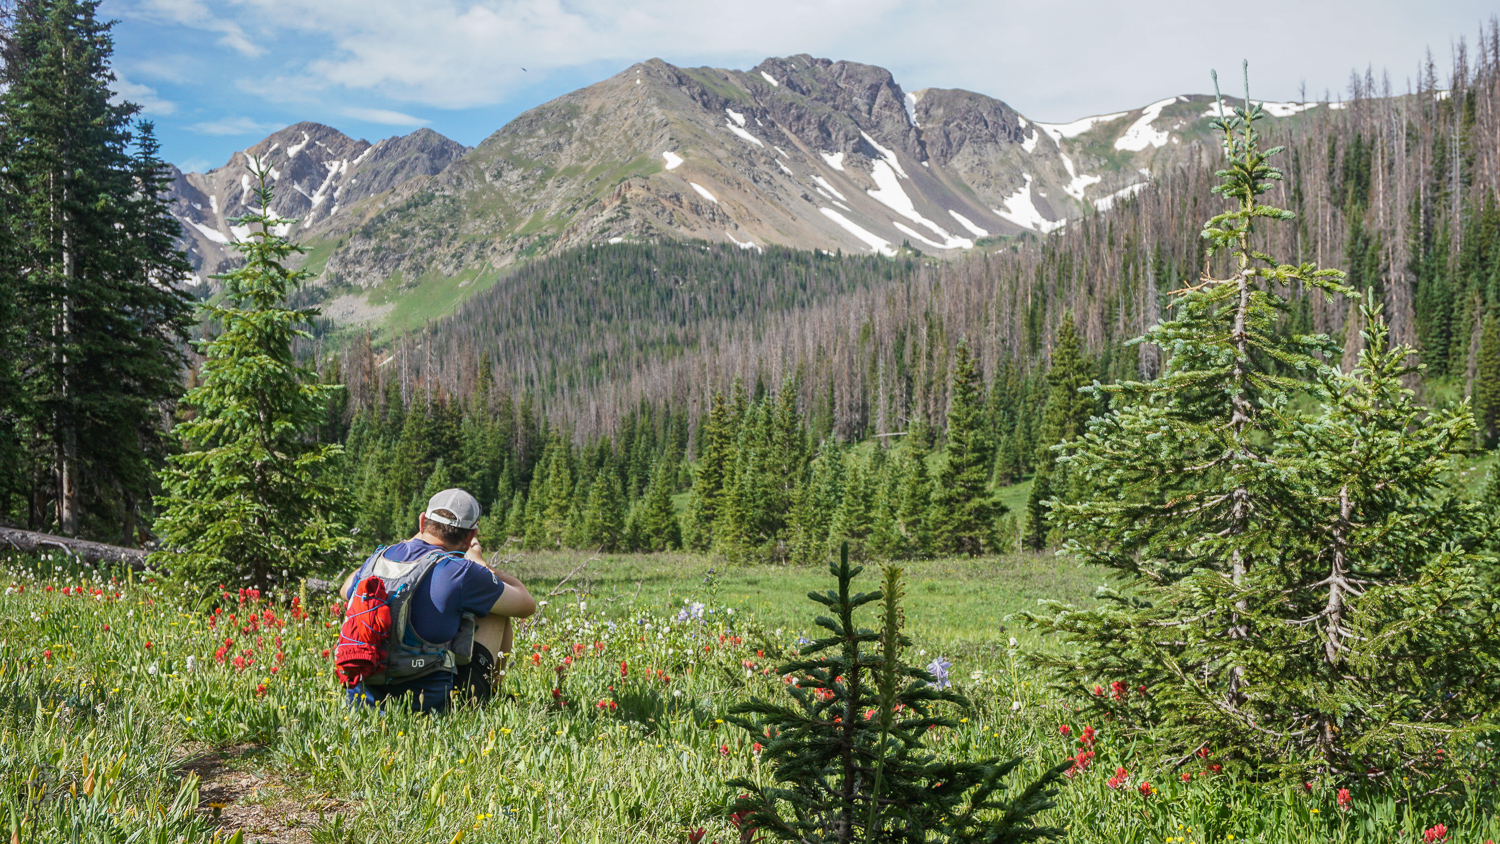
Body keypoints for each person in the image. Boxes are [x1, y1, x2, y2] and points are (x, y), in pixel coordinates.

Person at [339, 488, 536, 712]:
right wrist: (481, 564)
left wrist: (404, 543)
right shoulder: (461, 571)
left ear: (422, 521)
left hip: (363, 703)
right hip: (428, 707)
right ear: (472, 535)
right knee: (496, 611)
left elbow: (346, 589)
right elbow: (526, 604)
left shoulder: (379, 558)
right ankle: (484, 699)